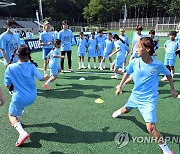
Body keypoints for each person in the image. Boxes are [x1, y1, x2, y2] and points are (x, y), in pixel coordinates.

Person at [112, 37, 177, 154]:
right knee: (127, 109)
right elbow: (127, 72)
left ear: (147, 49)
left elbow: (168, 75)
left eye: (138, 47)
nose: (136, 50)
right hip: (135, 96)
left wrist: (172, 89)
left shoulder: (157, 65)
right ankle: (119, 111)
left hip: (149, 99)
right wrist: (120, 85)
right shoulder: (135, 62)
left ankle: (167, 151)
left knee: (150, 128)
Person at [4, 45, 48, 147]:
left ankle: (22, 132)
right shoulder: (32, 66)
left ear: (17, 55)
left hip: (19, 98)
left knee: (11, 115)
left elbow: (7, 85)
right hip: (32, 97)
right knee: (19, 107)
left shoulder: (10, 67)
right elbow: (41, 78)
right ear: (28, 55)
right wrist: (47, 76)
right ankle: (18, 119)